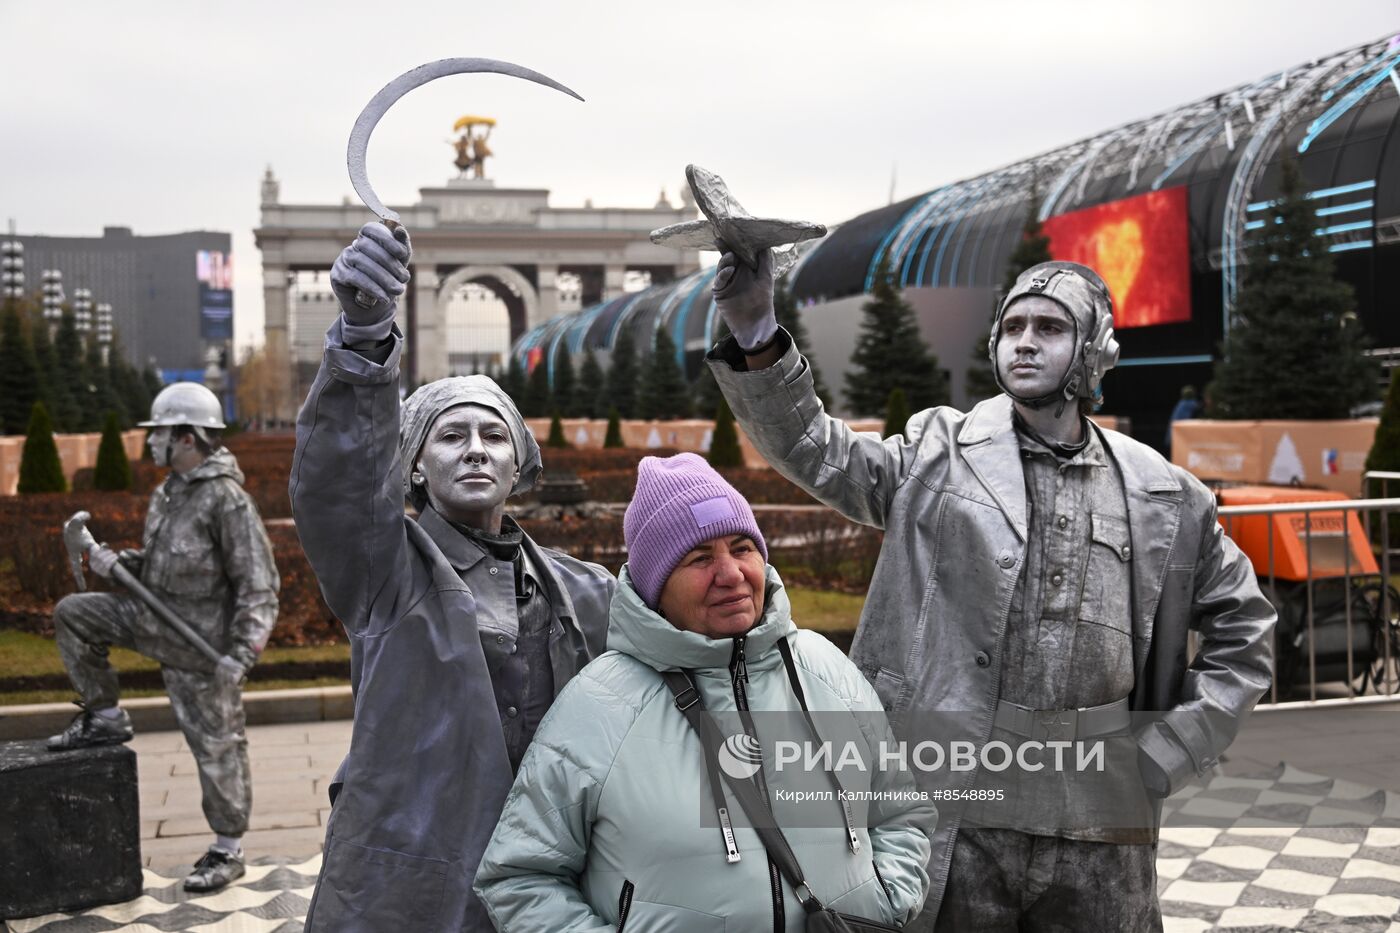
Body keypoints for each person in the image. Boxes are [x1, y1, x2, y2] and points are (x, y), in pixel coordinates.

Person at [705, 253, 1275, 930]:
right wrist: (756, 329)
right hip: (960, 806)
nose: (1026, 340)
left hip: (1101, 818)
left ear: (1094, 352)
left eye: (1050, 327)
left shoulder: (1164, 495)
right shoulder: (935, 454)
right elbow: (816, 449)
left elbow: (1247, 632)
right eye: (1014, 326)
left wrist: (1171, 749)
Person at [291, 221, 615, 931]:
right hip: (413, 882)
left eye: (493, 435)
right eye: (451, 434)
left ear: (519, 463)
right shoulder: (385, 571)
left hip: (550, 882)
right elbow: (338, 483)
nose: (475, 450)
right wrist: (365, 336)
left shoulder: (585, 591)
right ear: (414, 462)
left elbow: (693, 642)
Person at [475, 453, 934, 930]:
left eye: (742, 548)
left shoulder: (827, 671)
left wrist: (887, 901)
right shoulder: (598, 706)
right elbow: (520, 877)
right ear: (657, 586)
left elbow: (899, 811)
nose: (731, 574)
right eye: (699, 558)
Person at [47, 382, 280, 893]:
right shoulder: (169, 491)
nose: (151, 443)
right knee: (75, 614)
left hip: (203, 648)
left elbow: (260, 587)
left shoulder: (227, 501)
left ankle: (227, 849)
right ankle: (105, 717)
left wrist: (241, 655)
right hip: (154, 621)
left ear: (188, 437)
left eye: (159, 434)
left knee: (217, 746)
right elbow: (158, 568)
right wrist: (116, 562)